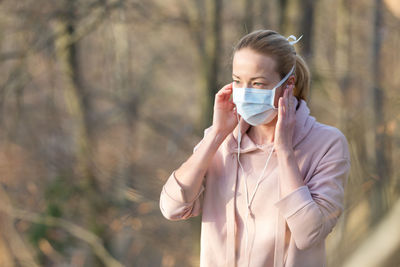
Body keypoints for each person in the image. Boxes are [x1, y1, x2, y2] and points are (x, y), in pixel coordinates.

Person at [159, 30, 351, 267]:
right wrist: (217, 134)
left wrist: (285, 151)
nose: (245, 92)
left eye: (257, 83)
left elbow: (309, 234)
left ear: (288, 84)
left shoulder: (327, 144)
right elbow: (172, 207)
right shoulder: (221, 141)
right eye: (238, 81)